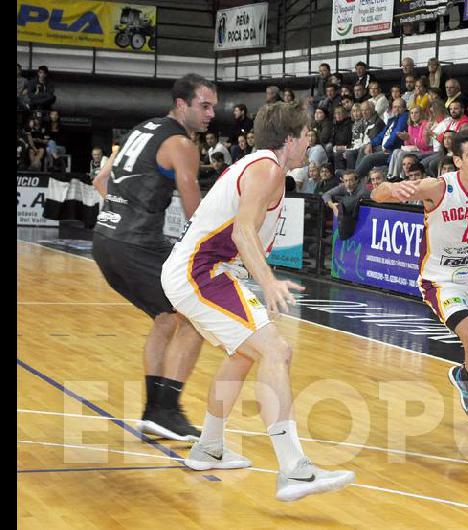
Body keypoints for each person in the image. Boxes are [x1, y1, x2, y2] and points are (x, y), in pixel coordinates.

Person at [159, 101, 355, 500]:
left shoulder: (265, 168)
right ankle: (295, 470)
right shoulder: (266, 169)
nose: (309, 141)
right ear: (290, 139)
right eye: (306, 135)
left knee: (244, 353)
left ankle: (209, 448)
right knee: (276, 351)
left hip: (205, 271)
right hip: (200, 271)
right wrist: (268, 282)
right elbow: (242, 233)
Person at [371, 129, 468, 443]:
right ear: (457, 160)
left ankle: (464, 377)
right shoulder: (438, 187)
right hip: (440, 279)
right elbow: (378, 194)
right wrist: (393, 188)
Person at [91, 73, 216, 442]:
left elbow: (101, 183)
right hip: (136, 242)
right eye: (204, 106)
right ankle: (166, 410)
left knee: (166, 318)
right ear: (182, 105)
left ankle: (153, 413)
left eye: (213, 107)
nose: (211, 114)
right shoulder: (182, 143)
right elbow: (196, 213)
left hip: (105, 239)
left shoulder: (141, 129)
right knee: (198, 313)